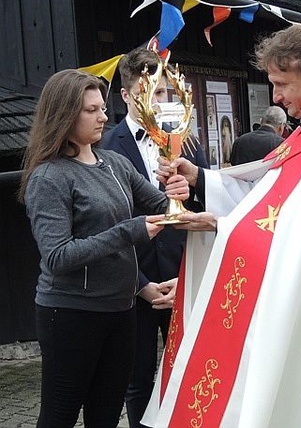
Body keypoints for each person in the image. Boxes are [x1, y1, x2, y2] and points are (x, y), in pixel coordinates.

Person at [143, 25, 301, 427]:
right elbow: (271, 195)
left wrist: (217, 227)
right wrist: (201, 180)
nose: (274, 96)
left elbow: (294, 236)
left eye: (280, 84)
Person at [19, 69, 188, 428]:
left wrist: (183, 193)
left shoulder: (115, 163)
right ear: (64, 114)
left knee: (107, 413)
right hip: (70, 315)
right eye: (91, 110)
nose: (104, 117)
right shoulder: (49, 177)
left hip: (121, 311)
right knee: (60, 415)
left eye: (101, 107)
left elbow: (161, 207)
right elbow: (58, 256)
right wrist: (130, 231)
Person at [99, 48, 208, 428]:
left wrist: (189, 189)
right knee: (138, 378)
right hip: (135, 278)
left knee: (191, 366)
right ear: (128, 96)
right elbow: (105, 222)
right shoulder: (105, 147)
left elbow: (205, 197)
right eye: (150, 93)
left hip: (183, 269)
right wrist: (140, 284)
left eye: (164, 93)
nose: (159, 101)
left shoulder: (186, 139)